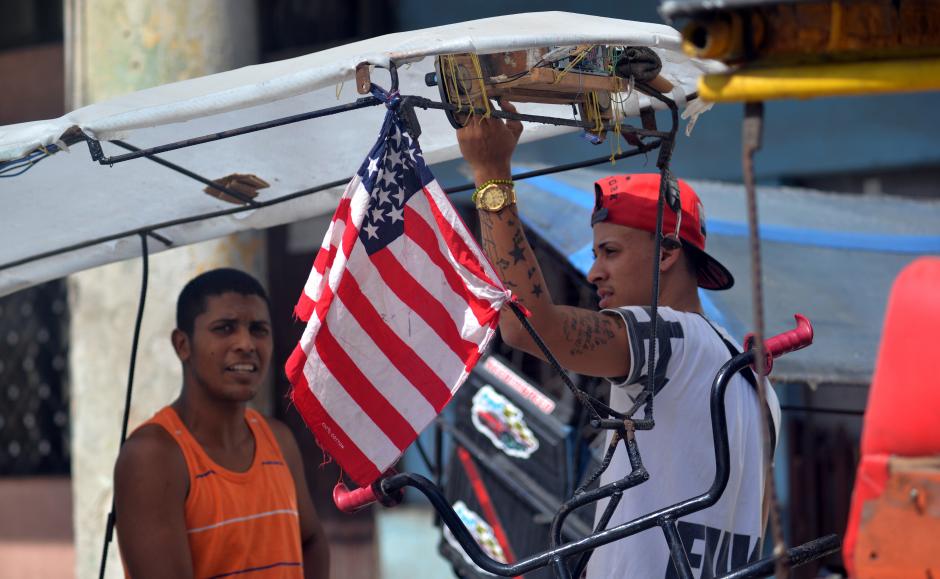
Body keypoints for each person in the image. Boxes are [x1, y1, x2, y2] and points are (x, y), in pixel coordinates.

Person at [456, 102, 780, 579]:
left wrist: (491, 174)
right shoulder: (752, 379)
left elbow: (524, 326)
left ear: (667, 253)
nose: (593, 273)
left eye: (610, 252)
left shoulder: (671, 338)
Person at [114, 268, 329, 578]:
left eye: (259, 330)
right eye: (225, 328)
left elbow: (312, 540)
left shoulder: (278, 440)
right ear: (182, 345)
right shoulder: (154, 456)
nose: (246, 343)